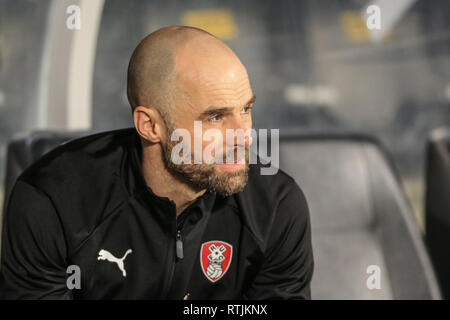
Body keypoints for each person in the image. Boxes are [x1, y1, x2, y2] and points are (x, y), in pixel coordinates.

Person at [0, 26, 313, 299]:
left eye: (245, 110)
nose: (243, 137)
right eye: (215, 117)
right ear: (150, 125)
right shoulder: (53, 202)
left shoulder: (275, 205)